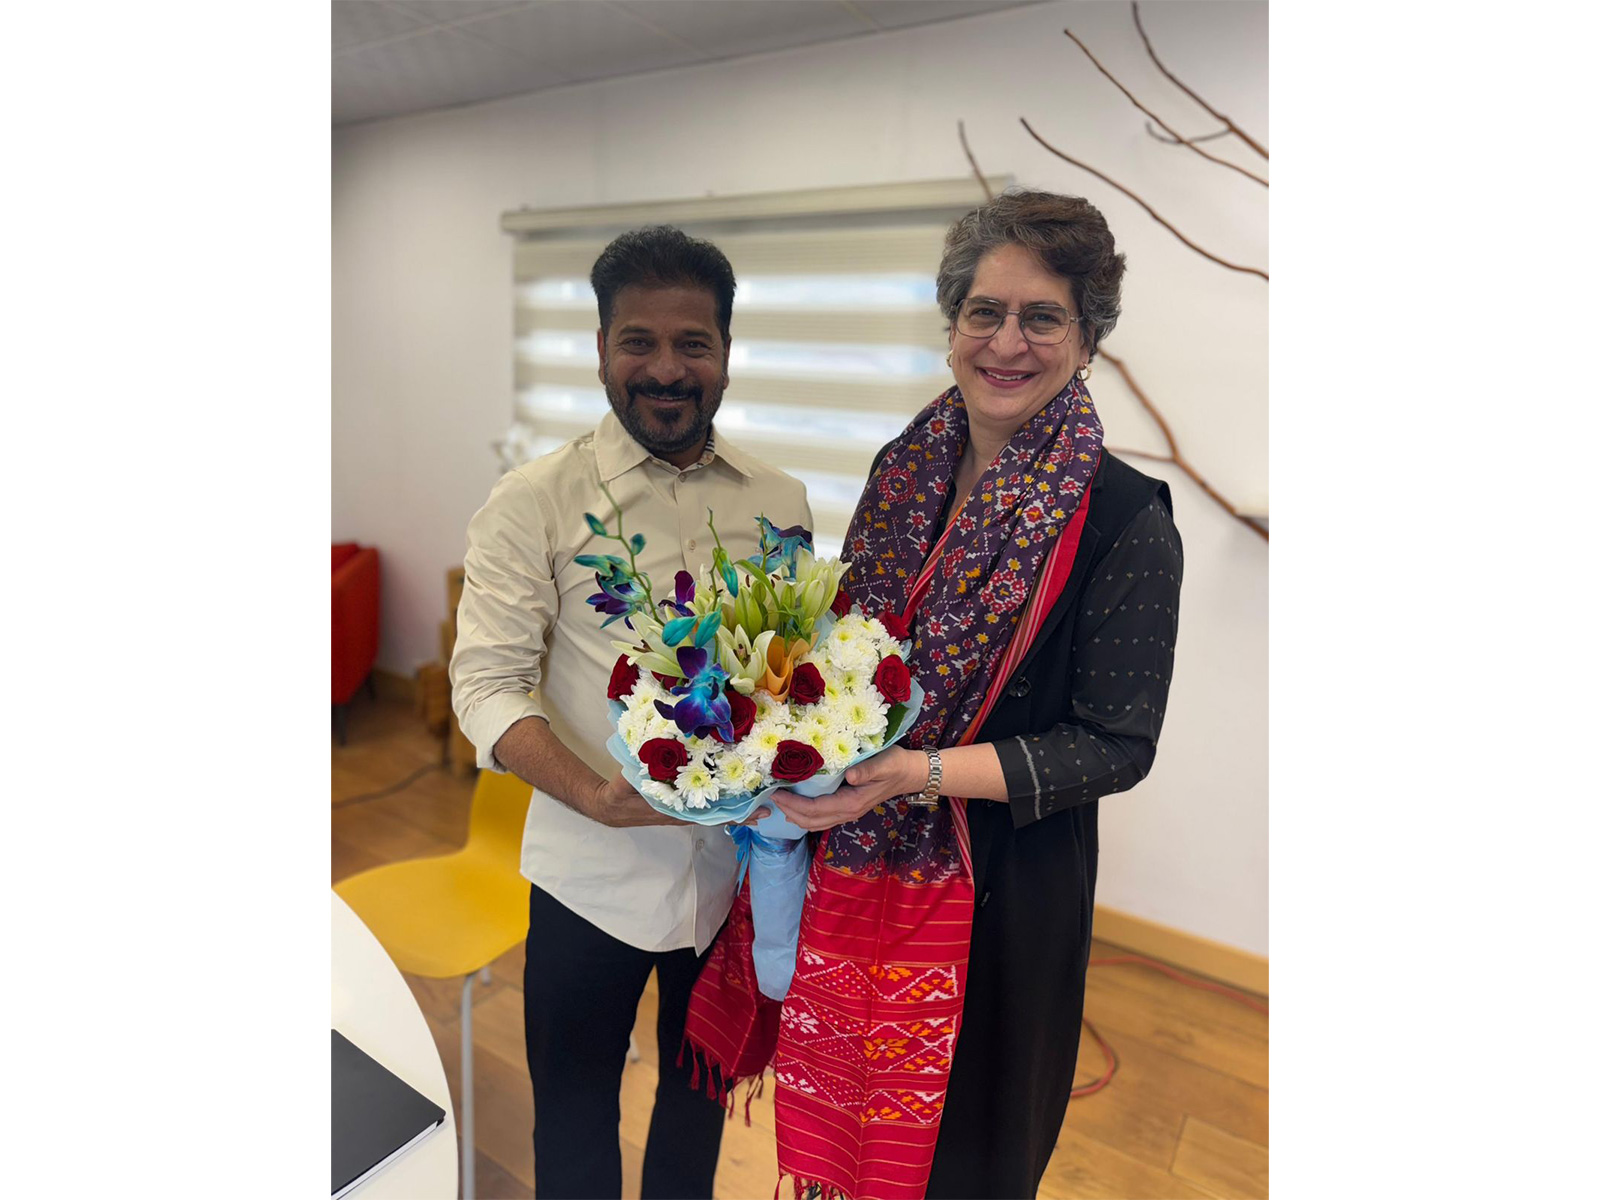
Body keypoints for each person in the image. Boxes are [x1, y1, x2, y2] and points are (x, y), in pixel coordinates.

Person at [714, 189, 1183, 1199]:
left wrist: (911, 773)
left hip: (1003, 893)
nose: (1006, 342)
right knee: (850, 1129)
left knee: (966, 1155)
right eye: (984, 311)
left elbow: (1115, 744)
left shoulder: (1124, 518)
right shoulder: (902, 470)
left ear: (1086, 338)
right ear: (952, 322)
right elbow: (851, 651)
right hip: (857, 849)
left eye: (1042, 317)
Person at [450, 225, 811, 1199]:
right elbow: (485, 685)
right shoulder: (534, 501)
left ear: (726, 352)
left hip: (733, 885)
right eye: (638, 342)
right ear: (602, 348)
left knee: (697, 1115)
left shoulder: (780, 502)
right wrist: (593, 797)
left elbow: (788, 671)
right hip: (589, 879)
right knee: (574, 1127)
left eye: (692, 343)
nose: (665, 369)